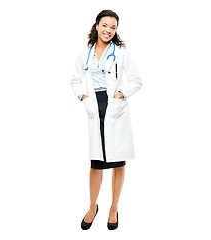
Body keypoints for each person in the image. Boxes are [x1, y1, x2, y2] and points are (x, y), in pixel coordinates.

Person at [70, 9, 142, 230]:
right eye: (105, 25)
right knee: (96, 164)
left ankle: (113, 208)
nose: (108, 30)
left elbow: (136, 81)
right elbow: (75, 80)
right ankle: (93, 207)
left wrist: (121, 95)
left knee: (118, 162)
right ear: (97, 26)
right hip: (95, 106)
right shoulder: (85, 54)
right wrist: (84, 96)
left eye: (113, 27)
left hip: (115, 108)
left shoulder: (121, 53)